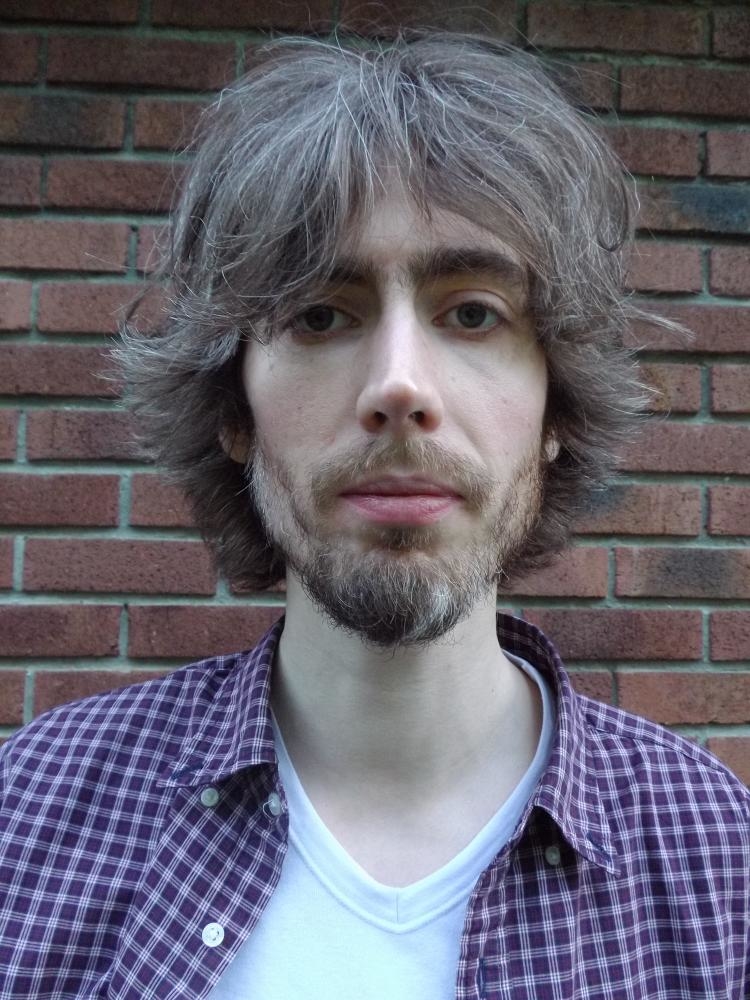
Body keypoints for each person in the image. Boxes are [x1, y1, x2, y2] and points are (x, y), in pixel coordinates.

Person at [0, 32, 747, 1000]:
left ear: (555, 411)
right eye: (320, 314)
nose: (399, 386)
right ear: (234, 411)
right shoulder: (25, 820)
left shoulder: (719, 865)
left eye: (473, 313)